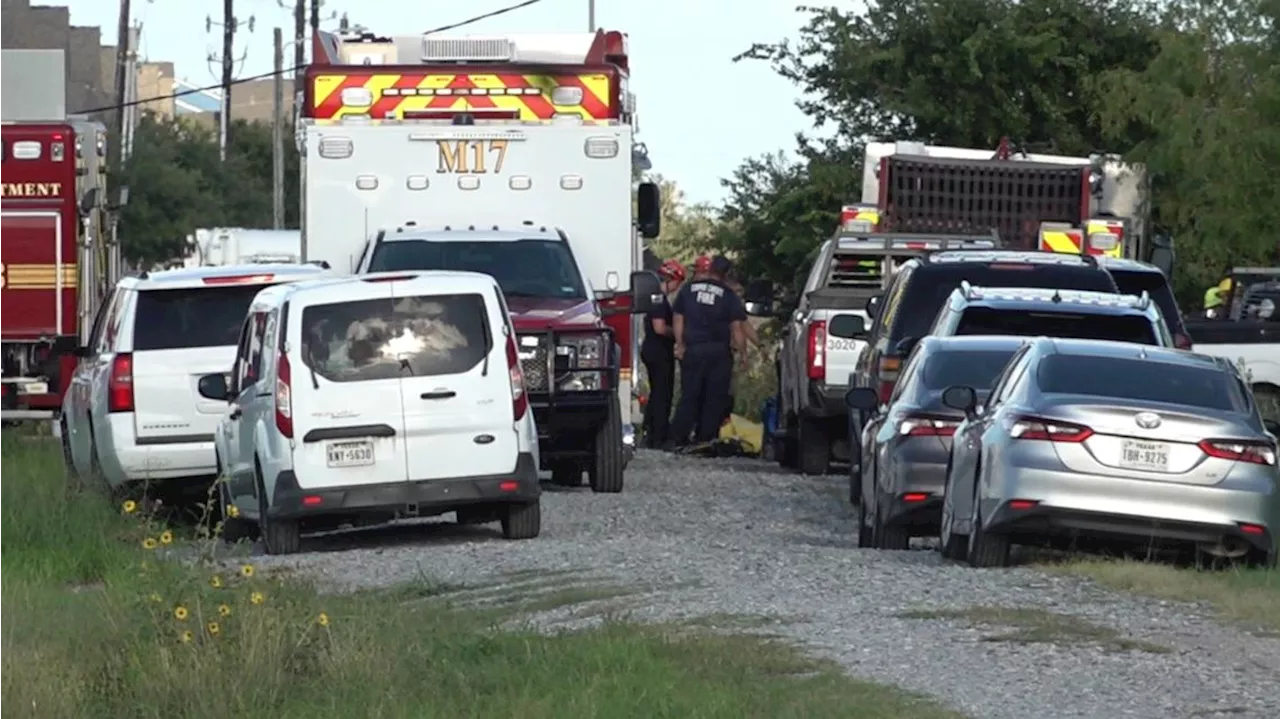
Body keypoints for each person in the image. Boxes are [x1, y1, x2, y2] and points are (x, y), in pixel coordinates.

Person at [665, 255, 748, 448]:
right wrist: (743, 352)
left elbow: (678, 318)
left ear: (709, 269)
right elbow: (736, 328)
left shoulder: (688, 290)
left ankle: (677, 436)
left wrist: (680, 343)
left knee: (689, 394)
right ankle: (705, 438)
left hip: (694, 349)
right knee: (714, 396)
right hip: (719, 352)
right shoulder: (728, 295)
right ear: (726, 273)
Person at [641, 259, 685, 448]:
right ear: (672, 279)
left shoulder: (656, 297)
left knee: (657, 393)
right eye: (678, 283)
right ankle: (658, 436)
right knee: (662, 394)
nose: (677, 288)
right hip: (658, 351)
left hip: (653, 350)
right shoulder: (658, 298)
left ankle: (651, 432)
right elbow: (659, 328)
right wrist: (678, 334)